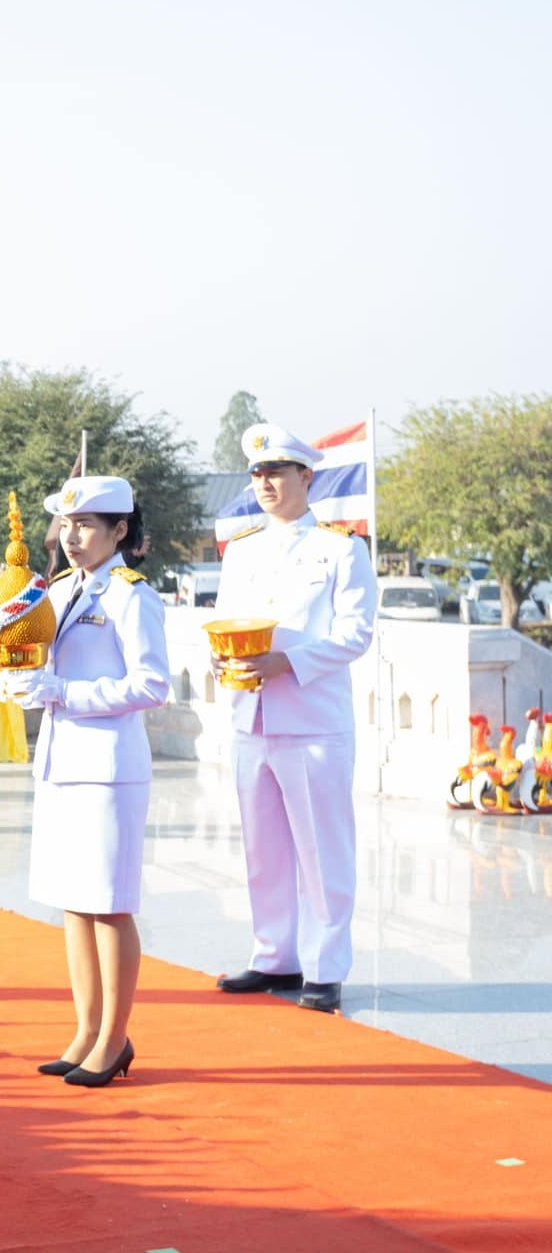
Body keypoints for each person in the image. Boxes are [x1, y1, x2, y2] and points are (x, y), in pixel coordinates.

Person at [0, 476, 169, 1087]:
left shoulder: (131, 595)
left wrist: (64, 693)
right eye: (66, 525)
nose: (72, 537)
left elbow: (152, 685)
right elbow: (40, 663)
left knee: (109, 906)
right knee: (75, 902)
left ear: (120, 531)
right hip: (62, 760)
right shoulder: (62, 589)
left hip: (109, 769)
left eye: (88, 525)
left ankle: (114, 1039)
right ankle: (86, 1030)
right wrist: (22, 682)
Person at [211, 423, 378, 1014]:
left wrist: (288, 661)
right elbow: (227, 622)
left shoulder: (341, 547)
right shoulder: (243, 549)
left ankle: (326, 968)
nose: (265, 482)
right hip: (250, 714)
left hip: (311, 718)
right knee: (265, 847)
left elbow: (354, 635)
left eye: (277, 472)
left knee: (322, 849)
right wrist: (221, 658)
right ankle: (274, 955)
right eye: (257, 473)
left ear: (306, 477)